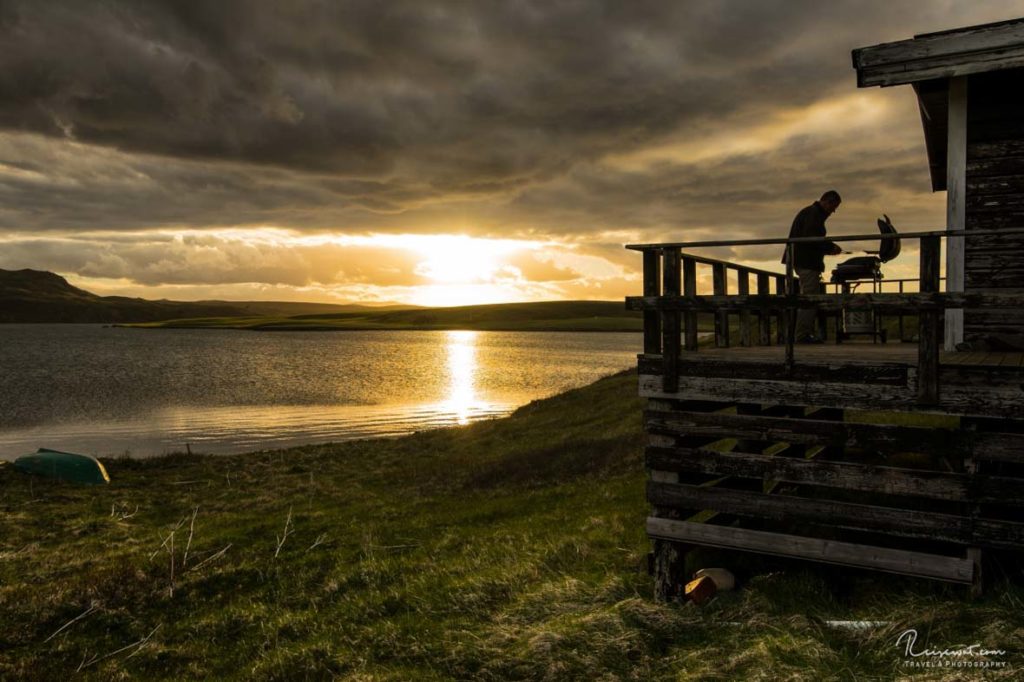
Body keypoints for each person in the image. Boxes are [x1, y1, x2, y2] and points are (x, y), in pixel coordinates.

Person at [782, 190, 843, 343]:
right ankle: (802, 335)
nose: (832, 211)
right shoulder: (814, 214)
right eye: (833, 207)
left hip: (802, 260)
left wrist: (828, 247)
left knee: (808, 297)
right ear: (826, 202)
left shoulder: (811, 213)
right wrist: (830, 248)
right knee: (809, 299)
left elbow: (813, 238)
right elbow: (812, 238)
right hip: (806, 261)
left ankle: (804, 333)